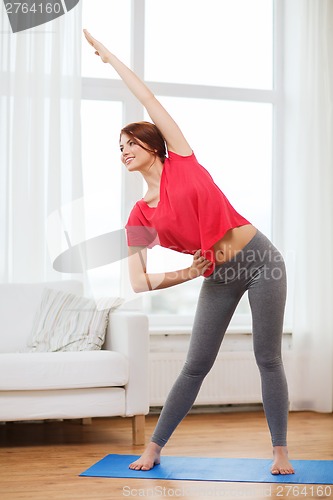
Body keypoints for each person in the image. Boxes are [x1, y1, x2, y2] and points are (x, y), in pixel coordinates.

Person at [83, 29, 295, 476]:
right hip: (215, 274)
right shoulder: (139, 216)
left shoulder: (181, 157)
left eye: (130, 142)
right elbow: (139, 283)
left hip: (259, 260)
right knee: (195, 363)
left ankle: (280, 450)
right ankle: (155, 447)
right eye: (118, 147)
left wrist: (110, 58)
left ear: (152, 145)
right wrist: (186, 272)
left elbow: (146, 94)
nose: (123, 151)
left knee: (267, 356)